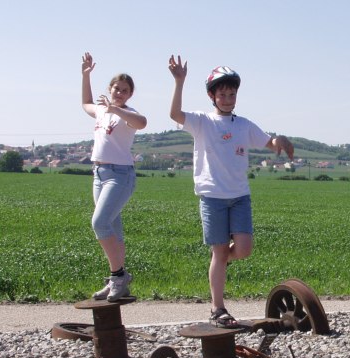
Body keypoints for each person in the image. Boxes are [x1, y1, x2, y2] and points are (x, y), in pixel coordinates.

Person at [167, 53, 294, 328]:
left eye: (232, 93)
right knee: (220, 251)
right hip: (212, 196)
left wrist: (280, 139)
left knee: (244, 250)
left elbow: (269, 143)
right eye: (222, 94)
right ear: (212, 96)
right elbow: (175, 114)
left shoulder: (244, 125)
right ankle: (217, 307)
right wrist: (179, 82)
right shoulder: (203, 122)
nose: (227, 98)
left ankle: (221, 262)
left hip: (239, 197)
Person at [81, 52, 147, 302]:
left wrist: (116, 110)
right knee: (113, 231)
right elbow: (85, 102)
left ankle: (118, 276)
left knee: (99, 223)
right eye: (116, 88)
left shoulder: (128, 113)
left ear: (130, 95)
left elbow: (142, 122)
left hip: (120, 176)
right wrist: (86, 75)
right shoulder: (101, 110)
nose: (119, 93)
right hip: (99, 174)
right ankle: (117, 280)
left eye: (125, 90)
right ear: (109, 89)